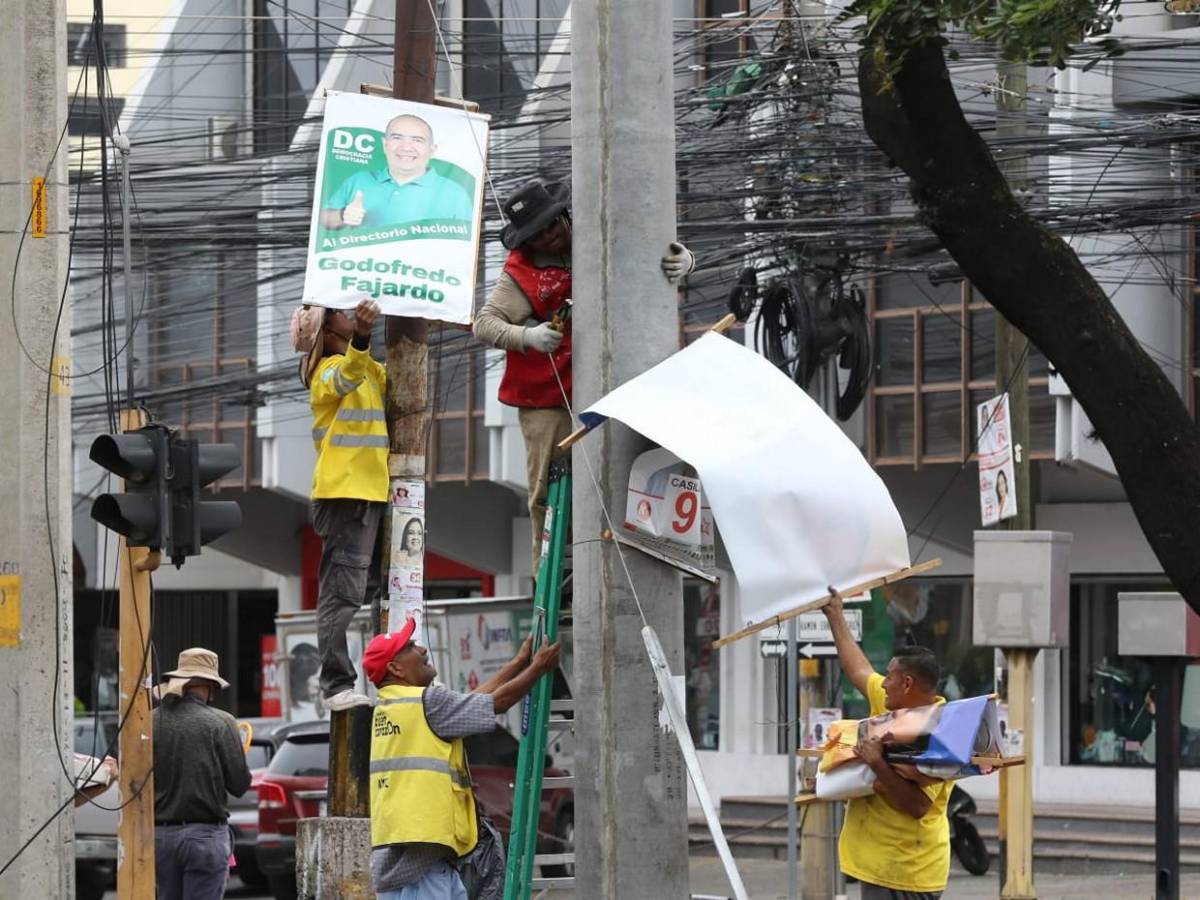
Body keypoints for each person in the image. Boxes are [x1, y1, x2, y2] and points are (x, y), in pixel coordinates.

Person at [472, 177, 696, 573]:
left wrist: (685, 262)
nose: (549, 237)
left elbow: (654, 254)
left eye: (552, 226)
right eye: (538, 234)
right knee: (548, 491)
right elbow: (484, 324)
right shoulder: (519, 273)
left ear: (565, 216)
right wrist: (527, 337)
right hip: (547, 399)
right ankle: (552, 577)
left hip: (615, 389)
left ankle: (636, 561)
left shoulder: (600, 238)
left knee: (631, 477)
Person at [363, 617, 561, 899]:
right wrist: (537, 668)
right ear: (396, 668)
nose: (422, 649)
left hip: (410, 856)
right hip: (423, 862)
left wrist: (519, 663)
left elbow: (473, 702)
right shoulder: (426, 703)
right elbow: (497, 703)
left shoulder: (389, 707)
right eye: (410, 647)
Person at [822, 590, 952, 899]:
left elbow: (918, 806)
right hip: (880, 865)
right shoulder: (891, 705)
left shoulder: (939, 731)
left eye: (889, 676)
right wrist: (835, 614)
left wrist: (877, 762)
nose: (882, 682)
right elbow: (858, 669)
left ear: (907, 684)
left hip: (908, 872)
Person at [290, 297, 387, 712]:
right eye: (341, 314)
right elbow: (347, 376)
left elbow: (386, 379)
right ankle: (335, 685)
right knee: (341, 594)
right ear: (326, 333)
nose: (349, 315)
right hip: (346, 494)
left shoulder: (363, 367)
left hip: (371, 492)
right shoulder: (326, 372)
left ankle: (383, 672)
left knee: (377, 589)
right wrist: (363, 336)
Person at [152, 648, 252, 900]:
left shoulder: (150, 721)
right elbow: (239, 784)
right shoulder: (221, 722)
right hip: (205, 838)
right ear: (210, 686)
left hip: (160, 839)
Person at [320, 114, 474, 230]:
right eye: (397, 138)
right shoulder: (359, 180)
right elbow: (323, 219)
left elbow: (465, 247)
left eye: (417, 140)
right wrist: (343, 215)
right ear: (385, 144)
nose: (406, 147)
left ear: (432, 150)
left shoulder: (455, 193)